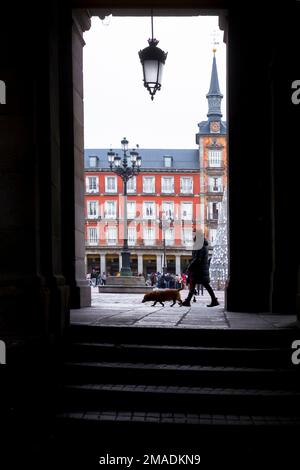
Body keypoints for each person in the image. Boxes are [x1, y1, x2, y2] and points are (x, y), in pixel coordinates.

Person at [182, 237, 219, 307]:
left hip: (199, 270)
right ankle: (188, 301)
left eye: (195, 240)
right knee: (196, 285)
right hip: (200, 269)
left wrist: (190, 266)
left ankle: (214, 300)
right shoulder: (202, 246)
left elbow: (197, 259)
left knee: (204, 285)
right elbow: (196, 258)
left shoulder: (201, 247)